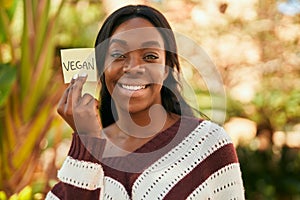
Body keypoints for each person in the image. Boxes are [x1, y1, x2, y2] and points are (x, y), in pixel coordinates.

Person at [46, 4, 245, 200]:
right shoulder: (84, 155)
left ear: (166, 69)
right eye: (118, 55)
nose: (133, 68)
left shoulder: (208, 144)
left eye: (150, 56)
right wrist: (87, 140)